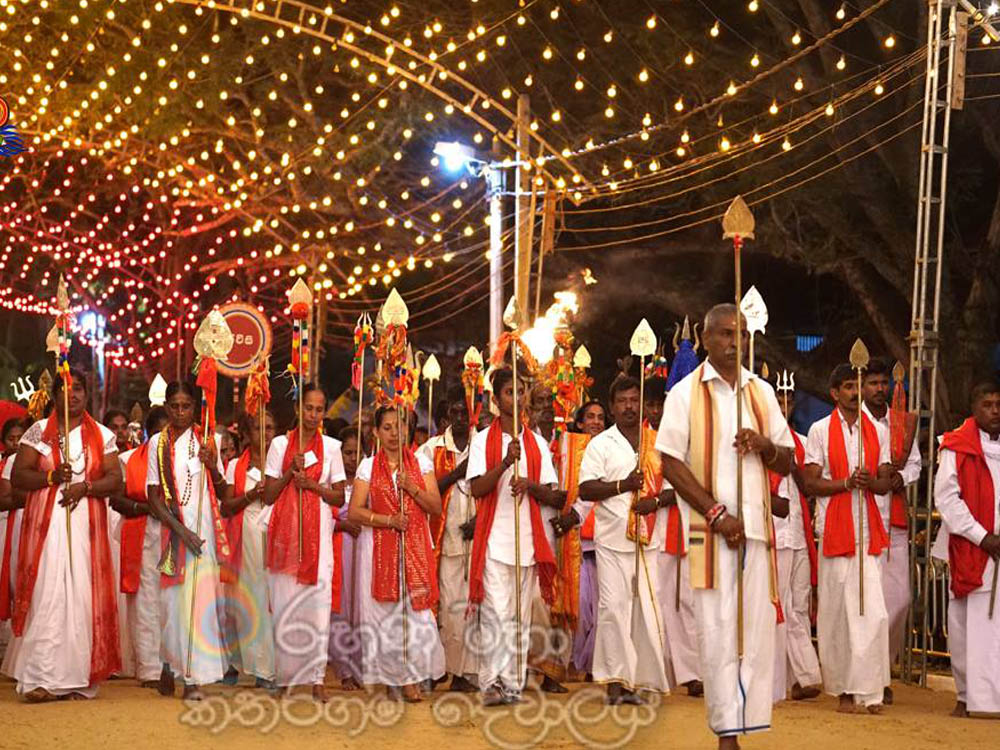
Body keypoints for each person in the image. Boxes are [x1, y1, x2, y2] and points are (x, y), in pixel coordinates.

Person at [658, 304, 793, 747]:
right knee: (717, 632)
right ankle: (726, 732)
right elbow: (671, 462)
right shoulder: (685, 393)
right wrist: (715, 513)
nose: (733, 343)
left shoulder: (761, 392)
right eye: (723, 334)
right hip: (712, 533)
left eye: (740, 334)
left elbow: (788, 457)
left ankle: (748, 722)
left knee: (754, 635)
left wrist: (763, 445)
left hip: (756, 530)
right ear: (704, 336)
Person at [7, 369, 123, 701]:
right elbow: (19, 476)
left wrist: (86, 486)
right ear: (55, 394)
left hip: (86, 525)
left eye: (79, 390)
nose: (72, 396)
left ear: (88, 395)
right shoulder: (38, 432)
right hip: (47, 526)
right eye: (66, 389)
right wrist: (52, 477)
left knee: (81, 595)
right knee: (48, 592)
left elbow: (116, 479)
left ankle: (76, 679)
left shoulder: (101, 435)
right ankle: (41, 678)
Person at [802, 363, 894, 714]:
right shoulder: (820, 430)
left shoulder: (877, 432)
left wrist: (870, 481)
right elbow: (810, 483)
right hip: (835, 532)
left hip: (867, 532)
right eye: (848, 387)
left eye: (859, 386)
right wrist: (845, 483)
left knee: (874, 614)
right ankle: (843, 691)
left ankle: (870, 691)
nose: (856, 393)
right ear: (834, 393)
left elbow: (886, 483)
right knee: (839, 614)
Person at [466, 367, 560, 706]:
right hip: (494, 541)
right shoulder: (481, 441)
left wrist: (531, 486)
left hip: (528, 544)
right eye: (509, 392)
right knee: (496, 612)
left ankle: (512, 684)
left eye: (520, 392)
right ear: (496, 398)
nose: (517, 398)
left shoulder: (536, 442)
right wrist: (506, 463)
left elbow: (554, 496)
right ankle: (490, 682)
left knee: (519, 617)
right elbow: (477, 488)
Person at [579, 375, 671, 704]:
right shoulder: (601, 444)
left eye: (634, 400)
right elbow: (586, 489)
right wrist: (623, 486)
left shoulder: (657, 442)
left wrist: (655, 502)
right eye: (623, 401)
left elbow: (674, 488)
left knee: (646, 611)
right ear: (612, 407)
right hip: (611, 540)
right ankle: (616, 681)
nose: (629, 406)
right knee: (613, 609)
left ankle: (643, 680)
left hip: (649, 540)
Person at [348, 406, 445, 702]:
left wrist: (411, 488)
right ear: (376, 432)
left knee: (416, 615)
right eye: (387, 428)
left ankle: (412, 678)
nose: (393, 433)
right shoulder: (367, 467)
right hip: (379, 550)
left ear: (407, 430)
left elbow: (436, 507)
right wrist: (388, 521)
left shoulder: (421, 463)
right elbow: (354, 511)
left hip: (415, 548)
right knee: (386, 616)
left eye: (398, 427)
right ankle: (395, 678)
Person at [146, 381, 232, 700]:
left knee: (197, 603)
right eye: (175, 406)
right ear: (167, 407)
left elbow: (224, 492)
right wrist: (182, 532)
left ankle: (192, 678)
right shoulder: (157, 443)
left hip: (204, 533)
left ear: (195, 408)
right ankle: (170, 665)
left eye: (186, 406)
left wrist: (213, 466)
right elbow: (153, 498)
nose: (180, 412)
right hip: (174, 533)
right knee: (171, 606)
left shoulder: (208, 440)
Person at [263, 383, 346, 702]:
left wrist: (311, 485)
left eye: (319, 409)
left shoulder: (333, 448)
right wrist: (289, 472)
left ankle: (316, 680)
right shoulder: (280, 445)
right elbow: (269, 494)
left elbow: (340, 496)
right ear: (299, 410)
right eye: (308, 408)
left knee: (317, 609)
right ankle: (285, 679)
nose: (313, 415)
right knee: (286, 608)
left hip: (320, 542)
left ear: (324, 412)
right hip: (285, 541)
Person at [934, 379, 1000, 717]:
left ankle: (992, 697)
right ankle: (965, 695)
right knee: (963, 624)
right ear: (974, 408)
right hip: (970, 545)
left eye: (998, 405)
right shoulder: (956, 445)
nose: (995, 411)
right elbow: (947, 499)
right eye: (987, 405)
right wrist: (982, 537)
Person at [860, 357, 921, 704]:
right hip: (864, 519)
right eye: (873, 383)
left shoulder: (903, 423)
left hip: (894, 518)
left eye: (884, 383)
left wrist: (901, 477)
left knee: (899, 600)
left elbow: (915, 465)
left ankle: (883, 667)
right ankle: (873, 677)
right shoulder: (855, 423)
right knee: (870, 603)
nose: (879, 389)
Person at [418, 386, 478, 693]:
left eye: (464, 412)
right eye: (454, 412)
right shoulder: (431, 448)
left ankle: (466, 675)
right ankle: (440, 668)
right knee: (448, 610)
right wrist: (456, 473)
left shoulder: (485, 444)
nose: (460, 418)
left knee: (476, 611)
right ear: (447, 414)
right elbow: (422, 489)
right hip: (445, 541)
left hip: (480, 541)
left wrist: (479, 522)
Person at [110, 406, 168, 689]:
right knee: (145, 603)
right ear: (147, 434)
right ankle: (149, 668)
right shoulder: (129, 459)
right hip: (141, 535)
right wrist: (145, 508)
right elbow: (116, 500)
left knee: (172, 604)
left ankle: (175, 665)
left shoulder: (185, 460)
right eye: (157, 433)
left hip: (175, 537)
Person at [769, 389, 822, 702]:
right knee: (780, 605)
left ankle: (800, 677)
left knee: (798, 605)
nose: (783, 406)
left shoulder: (802, 440)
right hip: (775, 532)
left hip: (800, 532)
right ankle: (794, 676)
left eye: (788, 400)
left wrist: (792, 465)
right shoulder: (759, 442)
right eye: (778, 400)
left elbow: (808, 485)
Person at [220, 410, 277, 689]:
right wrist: (253, 494)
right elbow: (226, 506)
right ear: (246, 433)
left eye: (270, 427)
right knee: (249, 601)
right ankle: (250, 666)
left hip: (276, 539)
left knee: (273, 601)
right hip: (246, 540)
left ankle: (270, 668)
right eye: (258, 428)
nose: (265, 433)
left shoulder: (282, 463)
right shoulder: (235, 467)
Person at [568, 399, 606, 679]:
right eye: (590, 417)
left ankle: (596, 666)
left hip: (605, 540)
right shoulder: (568, 451)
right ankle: (575, 663)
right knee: (581, 607)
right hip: (575, 541)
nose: (595, 422)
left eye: (600, 417)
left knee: (603, 607)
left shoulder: (610, 450)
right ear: (579, 423)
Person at [329, 426, 363, 690]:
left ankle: (360, 667)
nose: (352, 458)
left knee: (360, 610)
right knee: (340, 611)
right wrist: (342, 526)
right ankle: (343, 670)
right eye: (347, 452)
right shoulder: (333, 482)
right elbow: (323, 517)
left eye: (356, 452)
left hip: (363, 550)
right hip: (339, 548)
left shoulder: (368, 481)